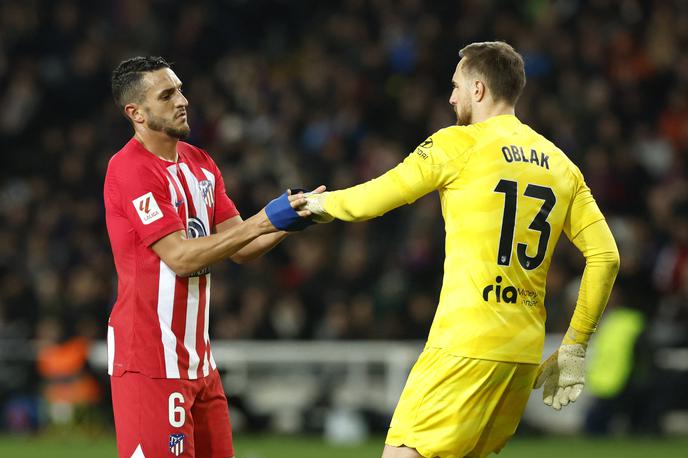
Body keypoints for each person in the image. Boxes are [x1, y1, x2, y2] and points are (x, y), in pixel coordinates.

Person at [303, 41, 620, 458]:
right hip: (522, 354)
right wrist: (576, 343)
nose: (450, 96)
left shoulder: (458, 144)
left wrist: (313, 205)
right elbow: (606, 256)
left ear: (478, 89)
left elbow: (373, 199)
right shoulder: (561, 164)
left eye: (455, 86)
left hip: (465, 342)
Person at [104, 56, 317, 458]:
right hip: (149, 359)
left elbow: (243, 247)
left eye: (180, 90)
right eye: (166, 95)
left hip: (199, 360)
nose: (182, 101)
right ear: (136, 113)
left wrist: (292, 219)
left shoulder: (201, 164)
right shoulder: (129, 169)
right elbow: (180, 258)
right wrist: (262, 221)